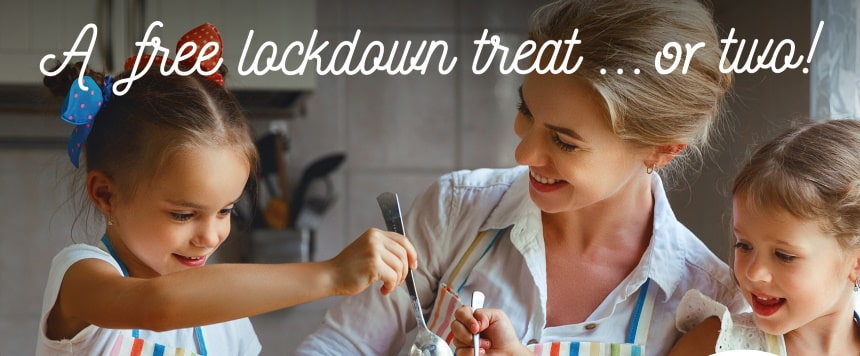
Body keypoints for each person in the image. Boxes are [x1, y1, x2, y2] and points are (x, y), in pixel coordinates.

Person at [297, 1, 747, 355]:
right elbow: (340, 346)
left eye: (565, 142)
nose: (524, 153)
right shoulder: (457, 209)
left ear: (662, 149)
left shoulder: (707, 306)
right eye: (525, 111)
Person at [36, 23, 416, 355]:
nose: (211, 235)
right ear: (106, 195)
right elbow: (158, 307)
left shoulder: (225, 320)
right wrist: (331, 274)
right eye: (183, 214)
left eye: (226, 210)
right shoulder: (80, 276)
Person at [667, 119, 860, 355]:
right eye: (744, 245)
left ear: (856, 262)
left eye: (784, 255)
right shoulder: (713, 345)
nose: (754, 273)